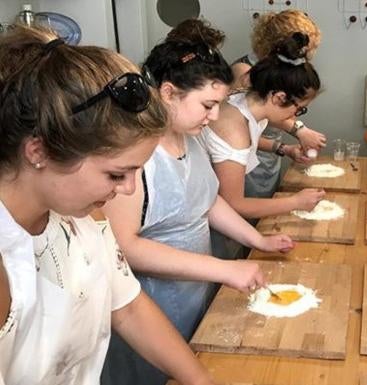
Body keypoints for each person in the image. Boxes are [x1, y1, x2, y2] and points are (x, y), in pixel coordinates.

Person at [0, 26, 223, 385]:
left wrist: (202, 380)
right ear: (38, 151)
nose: (129, 188)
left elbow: (129, 307)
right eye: (116, 174)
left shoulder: (87, 221)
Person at [101, 19, 294, 385]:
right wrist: (221, 269)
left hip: (195, 295)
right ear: (169, 93)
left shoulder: (189, 140)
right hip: (147, 312)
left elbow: (209, 202)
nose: (215, 116)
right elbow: (126, 248)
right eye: (208, 104)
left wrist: (259, 242)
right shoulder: (134, 157)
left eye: (219, 104)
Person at [200, 32, 325, 220]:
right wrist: (295, 202)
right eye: (299, 109)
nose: (294, 116)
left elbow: (245, 141)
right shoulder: (234, 131)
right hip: (207, 217)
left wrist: (286, 149)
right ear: (279, 97)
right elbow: (234, 204)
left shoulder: (245, 100)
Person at [231, 9, 326, 199]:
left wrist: (284, 148)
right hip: (244, 164)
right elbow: (235, 204)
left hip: (267, 152)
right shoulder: (244, 72)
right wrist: (299, 129)